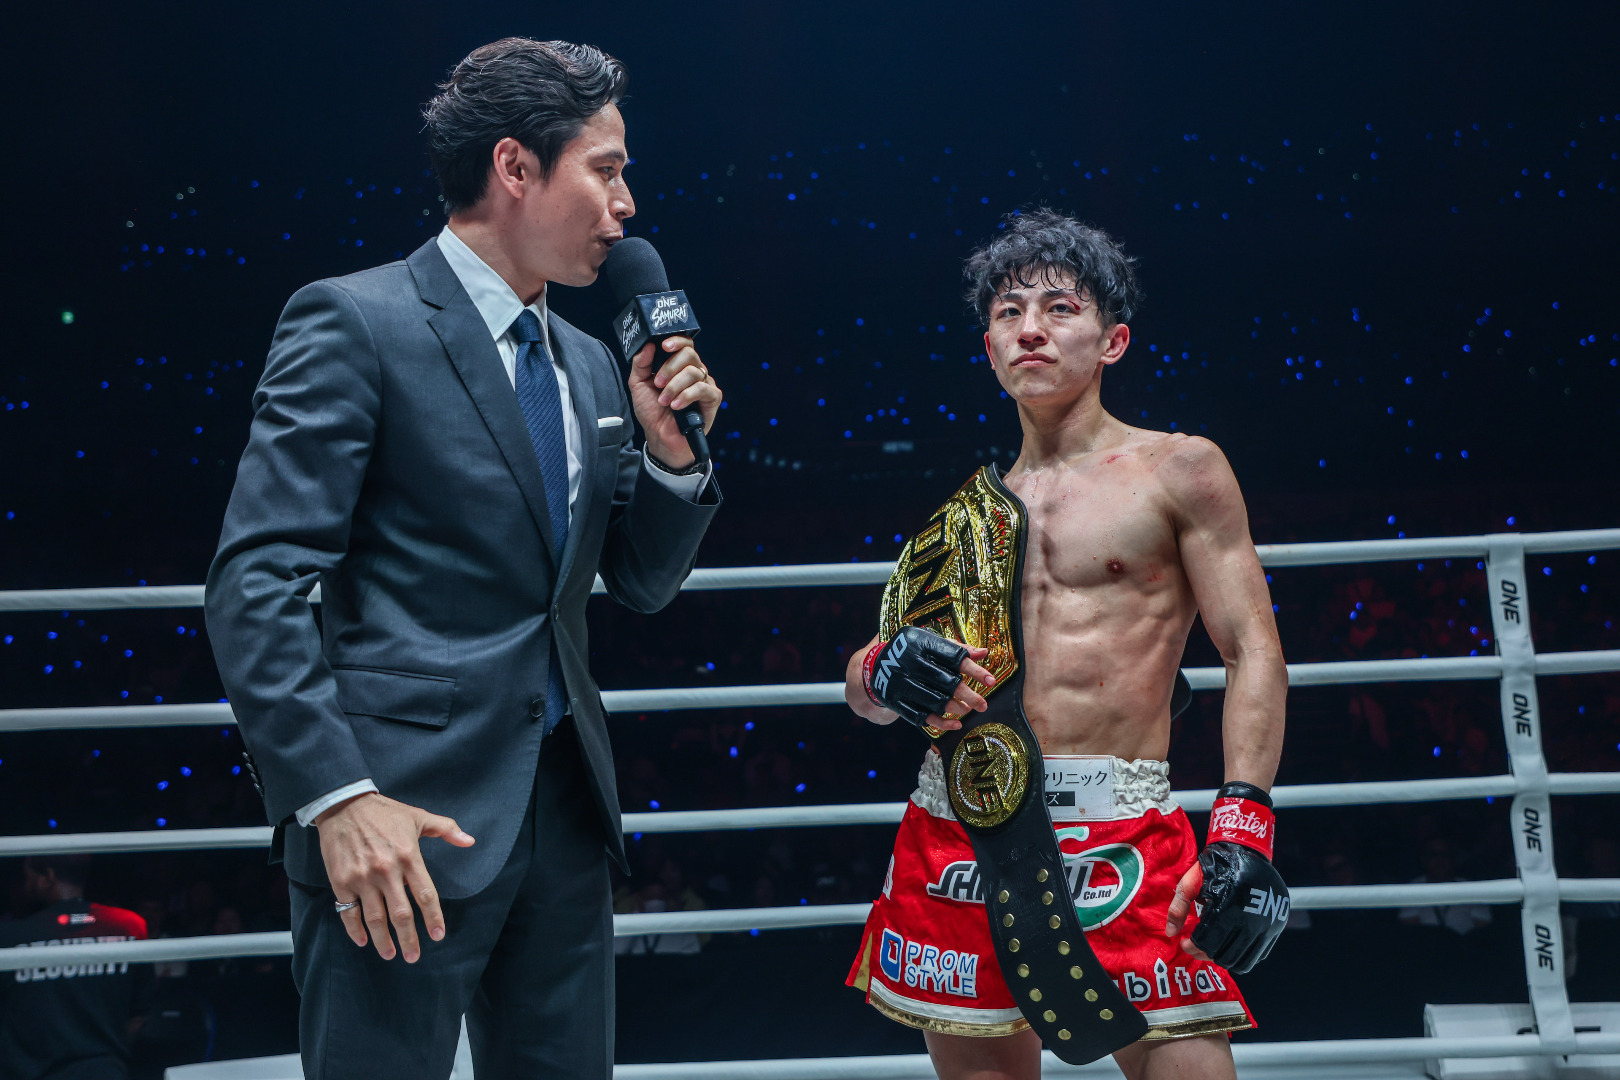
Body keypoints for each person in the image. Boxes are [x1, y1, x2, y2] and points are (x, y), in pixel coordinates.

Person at [204, 38, 722, 1080]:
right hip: (395, 823)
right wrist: (336, 797)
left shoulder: (590, 363)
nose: (627, 205)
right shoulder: (355, 321)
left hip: (563, 816)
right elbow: (254, 582)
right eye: (607, 169)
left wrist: (672, 461)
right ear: (515, 166)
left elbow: (640, 582)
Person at [843, 210, 1288, 1080]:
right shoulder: (964, 521)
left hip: (1126, 833)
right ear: (989, 350)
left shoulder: (1180, 470)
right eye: (1009, 313)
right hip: (963, 834)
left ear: (1113, 340)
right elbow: (868, 690)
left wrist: (1245, 826)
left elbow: (1253, 651)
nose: (1031, 329)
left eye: (1059, 308)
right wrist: (880, 669)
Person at [0, 856, 150, 1080]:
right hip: (105, 1072)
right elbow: (137, 1018)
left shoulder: (9, 938)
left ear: (47, 877)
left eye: (28, 877)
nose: (24, 885)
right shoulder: (128, 927)